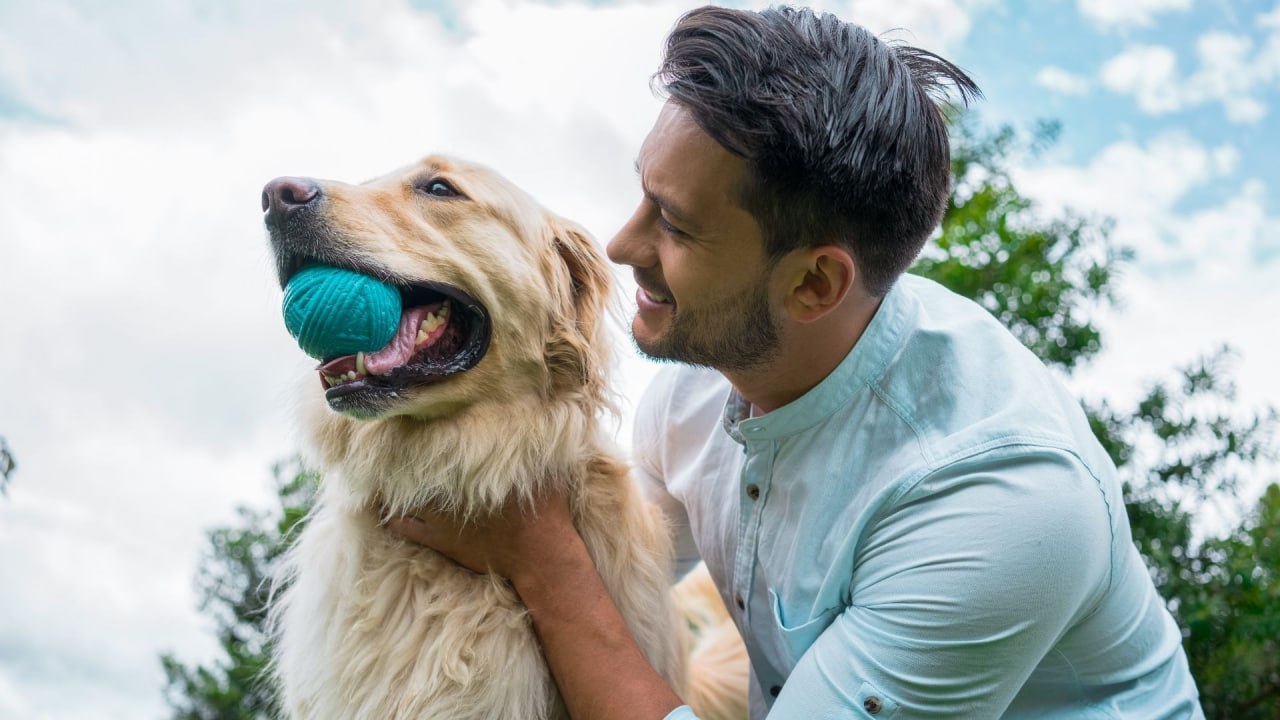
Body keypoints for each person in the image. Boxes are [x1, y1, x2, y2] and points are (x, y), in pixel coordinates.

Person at [389, 5, 1205, 718]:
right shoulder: (689, 399)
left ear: (814, 283)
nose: (621, 245)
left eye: (675, 226)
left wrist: (546, 567)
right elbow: (610, 576)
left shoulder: (1001, 504)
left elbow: (562, 576)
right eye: (643, 192)